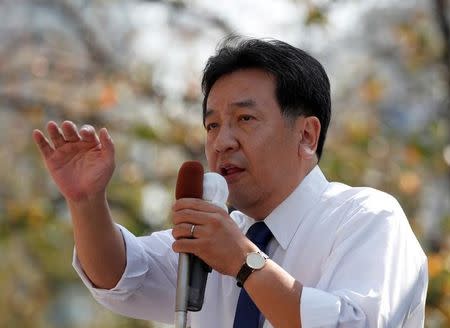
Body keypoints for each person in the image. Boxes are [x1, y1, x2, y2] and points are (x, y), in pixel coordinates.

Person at [32, 36, 428, 328]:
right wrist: (86, 201)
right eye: (212, 125)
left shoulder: (367, 217)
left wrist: (243, 261)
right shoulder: (217, 238)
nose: (222, 142)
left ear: (306, 135)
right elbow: (118, 276)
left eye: (245, 119)